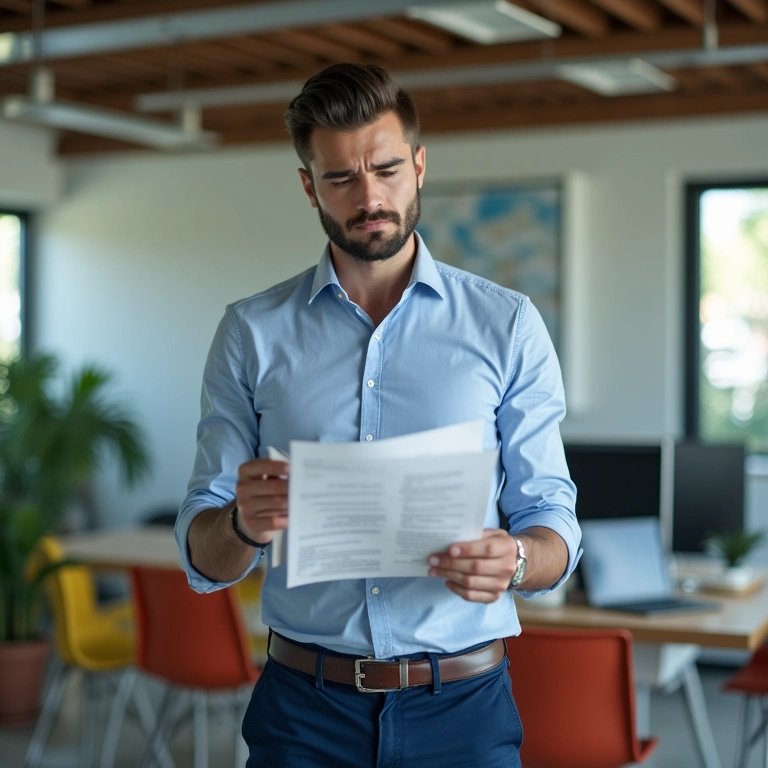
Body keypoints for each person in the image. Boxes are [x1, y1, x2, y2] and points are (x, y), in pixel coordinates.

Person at [176, 62, 580, 768]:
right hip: (304, 711)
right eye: (341, 179)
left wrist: (516, 559)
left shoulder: (507, 326)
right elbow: (203, 553)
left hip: (463, 708)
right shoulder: (251, 332)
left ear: (419, 165)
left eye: (387, 169)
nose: (370, 197)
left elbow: (554, 521)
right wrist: (243, 523)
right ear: (308, 186)